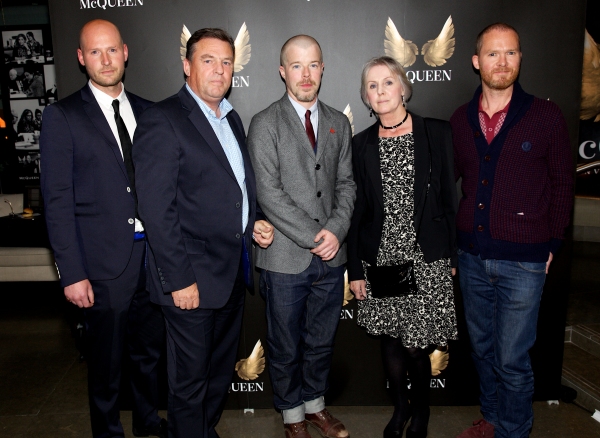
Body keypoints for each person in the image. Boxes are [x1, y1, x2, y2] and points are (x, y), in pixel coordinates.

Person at [132, 27, 274, 438]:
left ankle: (200, 430)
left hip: (230, 275)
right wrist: (179, 280)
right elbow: (156, 211)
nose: (219, 70)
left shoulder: (230, 117)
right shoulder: (163, 118)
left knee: (215, 374)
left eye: (226, 62)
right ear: (186, 66)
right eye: (208, 60)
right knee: (189, 382)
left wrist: (255, 222)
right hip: (189, 280)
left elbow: (239, 191)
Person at [40, 19, 167, 438]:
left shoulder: (151, 112)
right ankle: (108, 433)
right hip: (101, 264)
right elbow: (56, 202)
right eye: (94, 52)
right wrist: (71, 273)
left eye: (111, 50)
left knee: (149, 355)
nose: (105, 59)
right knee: (106, 363)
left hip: (153, 259)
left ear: (126, 52)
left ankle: (149, 424)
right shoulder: (63, 116)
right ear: (80, 58)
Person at [451, 23, 573, 438]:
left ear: (520, 58)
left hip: (524, 261)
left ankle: (514, 432)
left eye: (511, 53)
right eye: (492, 54)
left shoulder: (546, 115)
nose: (502, 62)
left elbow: (562, 183)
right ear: (476, 61)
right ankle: (492, 418)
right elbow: (450, 185)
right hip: (471, 258)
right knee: (482, 352)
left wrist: (553, 241)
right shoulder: (460, 119)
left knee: (512, 360)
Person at [247, 35, 356, 438]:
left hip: (332, 257)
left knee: (321, 340)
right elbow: (269, 194)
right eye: (296, 65)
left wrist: (337, 231)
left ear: (323, 69)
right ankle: (292, 415)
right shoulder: (264, 123)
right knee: (285, 343)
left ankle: (315, 406)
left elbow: (347, 184)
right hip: (284, 257)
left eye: (313, 65)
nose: (306, 74)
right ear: (282, 71)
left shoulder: (338, 122)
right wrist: (318, 236)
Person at [347, 56, 458, 438]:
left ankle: (422, 412)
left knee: (416, 346)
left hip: (426, 257)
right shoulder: (361, 145)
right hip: (386, 255)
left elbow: (449, 199)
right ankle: (400, 410)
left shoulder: (435, 133)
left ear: (403, 88)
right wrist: (356, 269)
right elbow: (358, 211)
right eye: (372, 86)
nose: (380, 92)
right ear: (366, 96)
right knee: (394, 342)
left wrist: (453, 256)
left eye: (387, 83)